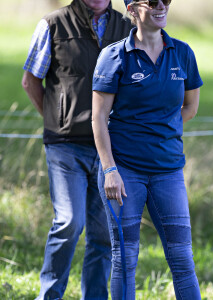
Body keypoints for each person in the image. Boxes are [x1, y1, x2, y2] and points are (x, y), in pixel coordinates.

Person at [91, 0, 203, 298]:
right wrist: (109, 169)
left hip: (169, 172)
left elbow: (190, 107)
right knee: (125, 258)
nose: (161, 6)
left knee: (182, 258)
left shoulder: (183, 53)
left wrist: (158, 130)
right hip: (124, 172)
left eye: (166, 0)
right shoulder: (113, 56)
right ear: (132, 9)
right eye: (152, 2)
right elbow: (99, 117)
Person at [21, 0, 132, 299]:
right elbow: (30, 80)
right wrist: (54, 117)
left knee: (103, 235)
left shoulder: (127, 27)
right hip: (66, 146)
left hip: (110, 149)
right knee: (69, 222)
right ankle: (49, 295)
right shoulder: (52, 24)